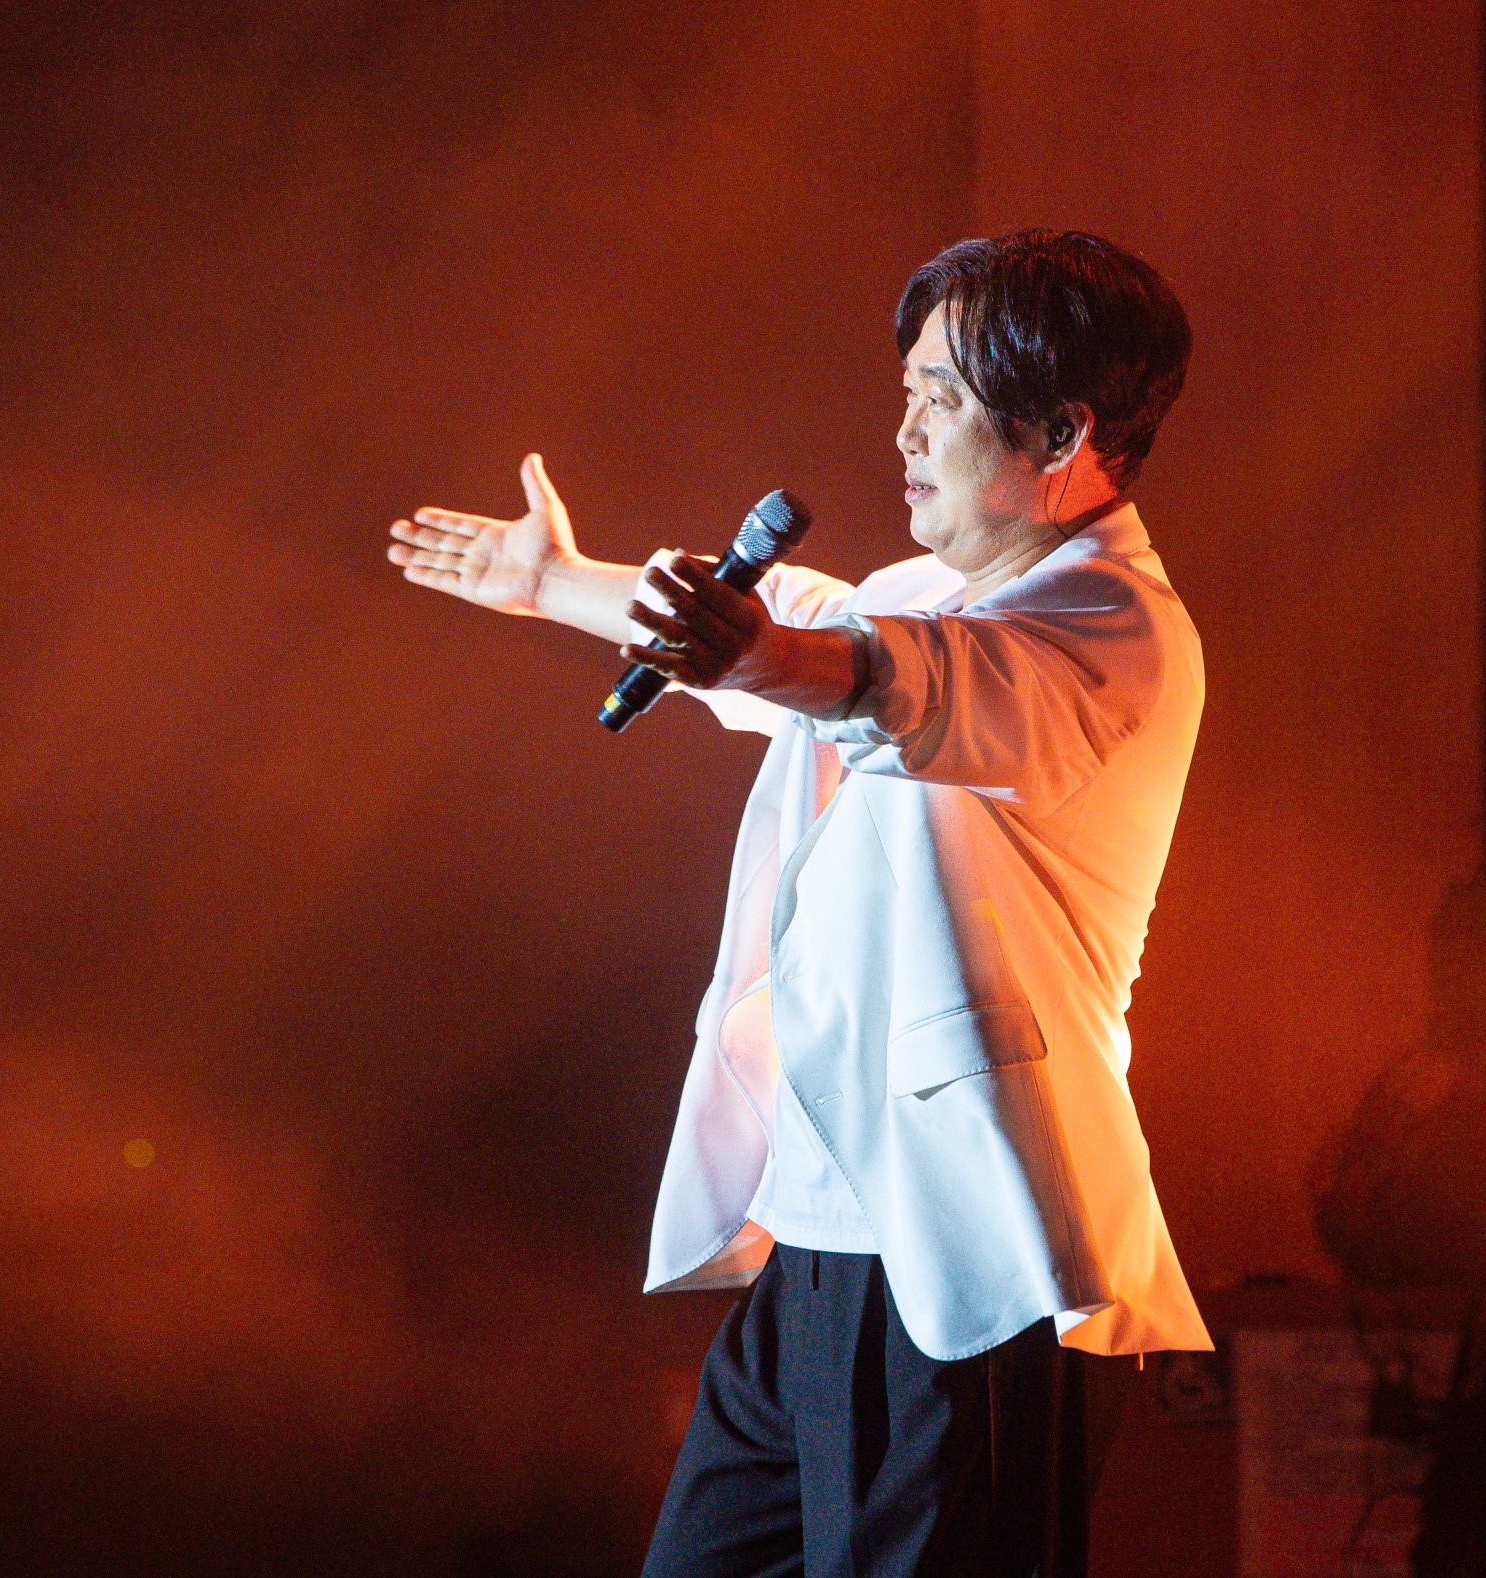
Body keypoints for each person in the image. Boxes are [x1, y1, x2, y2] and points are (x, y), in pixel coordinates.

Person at [386, 230, 1211, 1577]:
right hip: (824, 1249)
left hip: (969, 1259)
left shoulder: (1115, 627)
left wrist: (764, 653)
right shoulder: (922, 590)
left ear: (1063, 431)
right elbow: (829, 623)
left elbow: (917, 683)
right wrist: (549, 583)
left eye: (942, 397)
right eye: (908, 390)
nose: (906, 429)